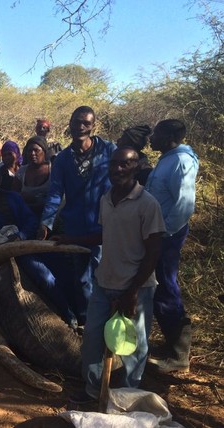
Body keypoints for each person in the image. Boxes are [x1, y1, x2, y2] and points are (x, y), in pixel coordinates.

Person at [72, 146, 166, 404]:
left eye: (124, 164)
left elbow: (153, 250)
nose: (117, 169)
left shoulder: (148, 204)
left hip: (136, 287)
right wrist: (71, 239)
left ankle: (128, 397)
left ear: (136, 167)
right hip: (104, 282)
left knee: (133, 346)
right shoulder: (106, 198)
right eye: (114, 164)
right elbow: (107, 235)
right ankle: (93, 392)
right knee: (92, 338)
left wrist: (133, 292)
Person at [37, 106, 116, 327]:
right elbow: (55, 192)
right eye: (76, 122)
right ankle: (87, 323)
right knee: (82, 279)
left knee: (108, 276)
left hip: (106, 226)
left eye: (86, 123)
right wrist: (46, 222)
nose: (80, 127)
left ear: (93, 126)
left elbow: (127, 174)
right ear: (70, 123)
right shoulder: (62, 159)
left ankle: (107, 323)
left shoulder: (108, 151)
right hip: (76, 227)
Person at [0, 168, 76, 326]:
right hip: (11, 252)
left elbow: (31, 219)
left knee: (63, 265)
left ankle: (79, 308)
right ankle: (68, 314)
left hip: (30, 240)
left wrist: (22, 235)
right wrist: (8, 244)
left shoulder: (13, 197)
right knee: (45, 277)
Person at [145, 119, 199, 373]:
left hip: (167, 235)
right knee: (159, 286)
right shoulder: (168, 158)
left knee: (166, 286)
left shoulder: (181, 161)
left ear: (169, 138)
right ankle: (170, 345)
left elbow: (184, 205)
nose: (151, 138)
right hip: (157, 233)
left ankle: (179, 355)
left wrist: (163, 233)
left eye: (156, 134)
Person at [13, 136, 52, 216]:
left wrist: (37, 199)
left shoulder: (53, 171)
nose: (32, 153)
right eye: (30, 150)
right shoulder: (21, 172)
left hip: (48, 216)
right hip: (25, 215)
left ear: (44, 152)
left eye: (36, 150)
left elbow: (58, 197)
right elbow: (14, 196)